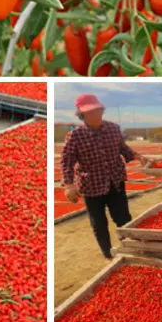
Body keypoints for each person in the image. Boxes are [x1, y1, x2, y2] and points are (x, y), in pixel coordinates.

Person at [61, 93, 142, 258]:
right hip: (91, 185)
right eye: (91, 112)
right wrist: (69, 185)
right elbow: (66, 161)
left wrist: (139, 156)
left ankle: (130, 247)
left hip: (115, 181)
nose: (96, 115)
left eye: (98, 111)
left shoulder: (113, 128)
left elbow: (123, 148)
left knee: (123, 218)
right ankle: (108, 254)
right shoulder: (75, 136)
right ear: (82, 115)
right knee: (98, 223)